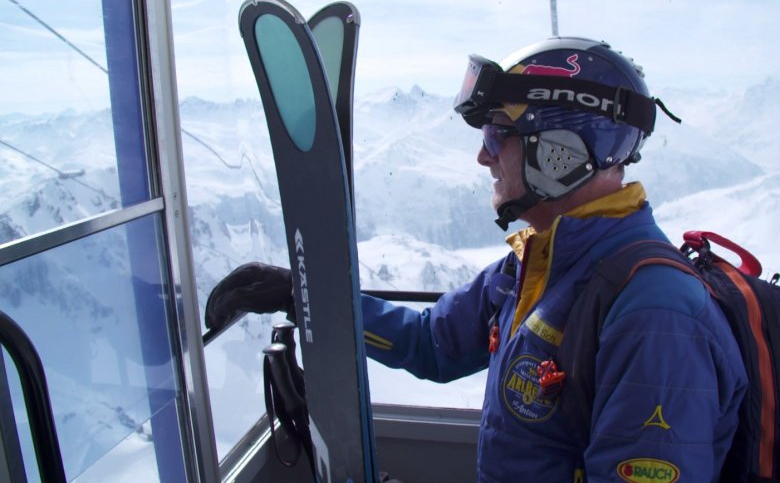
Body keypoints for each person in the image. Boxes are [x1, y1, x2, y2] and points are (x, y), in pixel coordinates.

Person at [206, 37, 747, 482]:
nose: (483, 155)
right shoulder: (534, 265)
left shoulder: (655, 315)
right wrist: (307, 298)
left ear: (561, 150)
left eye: (497, 135)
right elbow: (430, 344)